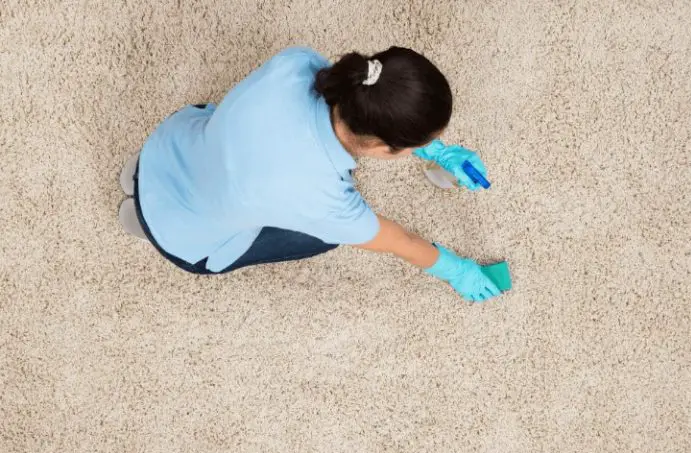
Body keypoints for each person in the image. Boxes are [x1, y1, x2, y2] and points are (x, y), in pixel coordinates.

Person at [118, 46, 501, 303]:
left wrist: (429, 144)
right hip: (187, 241)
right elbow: (400, 241)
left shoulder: (298, 61)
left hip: (165, 146)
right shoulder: (328, 205)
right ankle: (142, 222)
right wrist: (458, 271)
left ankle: (137, 179)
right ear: (386, 148)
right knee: (325, 240)